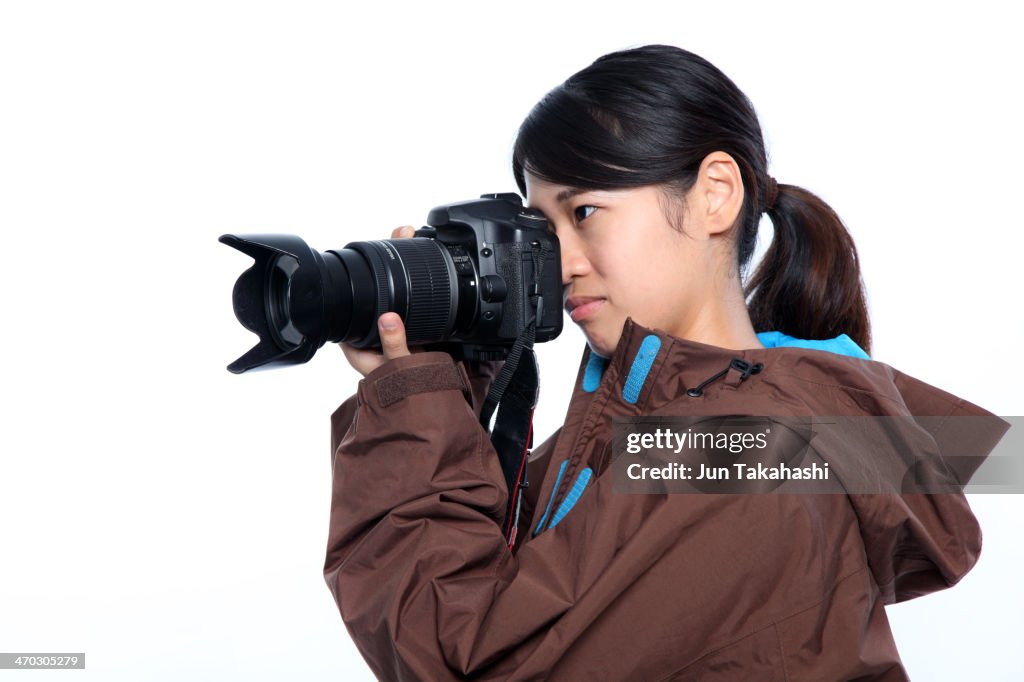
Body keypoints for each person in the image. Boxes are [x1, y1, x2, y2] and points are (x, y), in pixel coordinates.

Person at [323, 45, 1004, 680]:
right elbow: (487, 572)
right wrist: (450, 381)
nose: (558, 263)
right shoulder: (660, 434)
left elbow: (471, 659)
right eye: (542, 228)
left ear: (714, 194)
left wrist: (411, 409)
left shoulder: (745, 450)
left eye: (585, 211)